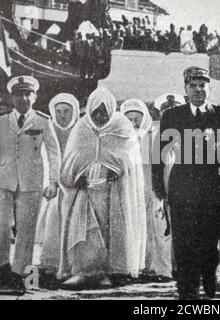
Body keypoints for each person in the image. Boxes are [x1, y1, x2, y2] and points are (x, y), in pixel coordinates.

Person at [152, 67, 220, 299]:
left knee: (209, 245)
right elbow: (159, 158)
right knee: (183, 245)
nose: (199, 90)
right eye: (194, 86)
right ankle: (187, 294)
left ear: (209, 87)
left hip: (212, 190)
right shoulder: (172, 116)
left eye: (203, 85)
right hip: (181, 191)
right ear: (186, 89)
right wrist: (160, 191)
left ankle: (209, 291)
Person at [58, 87, 146, 289]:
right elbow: (70, 161)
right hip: (85, 191)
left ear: (110, 110)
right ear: (89, 110)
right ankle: (83, 272)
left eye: (103, 112)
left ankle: (105, 272)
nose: (99, 116)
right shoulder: (81, 127)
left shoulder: (122, 126)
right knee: (85, 231)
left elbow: (130, 159)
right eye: (95, 112)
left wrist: (119, 169)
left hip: (111, 192)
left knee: (108, 230)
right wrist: (75, 177)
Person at [0, 76, 59, 292]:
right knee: (1, 227)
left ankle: (20, 275)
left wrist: (53, 181)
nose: (23, 98)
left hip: (32, 183)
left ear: (34, 97)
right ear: (12, 97)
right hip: (4, 182)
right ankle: (2, 270)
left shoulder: (43, 121)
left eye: (27, 94)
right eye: (18, 94)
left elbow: (54, 152)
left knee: (26, 230)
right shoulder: (2, 120)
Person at [121, 98, 172, 281]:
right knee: (136, 229)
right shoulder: (123, 139)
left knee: (159, 229)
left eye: (137, 119)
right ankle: (139, 266)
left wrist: (165, 192)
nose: (134, 123)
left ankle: (163, 269)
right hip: (134, 192)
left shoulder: (156, 137)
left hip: (154, 190)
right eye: (130, 119)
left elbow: (165, 167)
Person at [38, 93, 80, 273]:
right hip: (56, 185)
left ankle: (73, 264)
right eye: (59, 112)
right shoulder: (48, 129)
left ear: (75, 112)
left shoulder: (81, 130)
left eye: (67, 112)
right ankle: (52, 261)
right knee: (54, 218)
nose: (62, 116)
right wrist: (52, 182)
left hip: (75, 185)